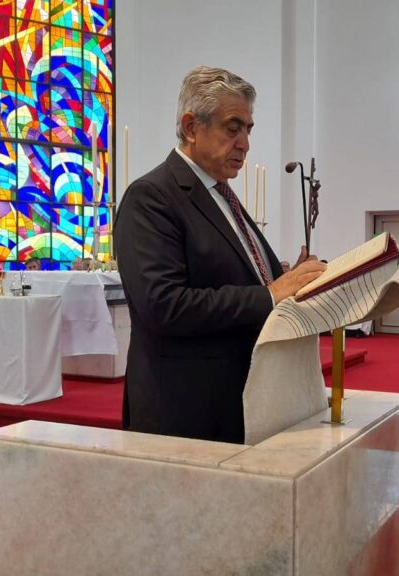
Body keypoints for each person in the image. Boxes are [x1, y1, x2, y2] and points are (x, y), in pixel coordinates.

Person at [114, 66, 325, 444]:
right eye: (233, 128)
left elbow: (235, 276)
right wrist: (271, 293)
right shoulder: (152, 197)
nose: (245, 144)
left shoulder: (222, 196)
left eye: (248, 129)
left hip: (238, 398)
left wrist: (287, 277)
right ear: (191, 127)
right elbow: (163, 305)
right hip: (185, 410)